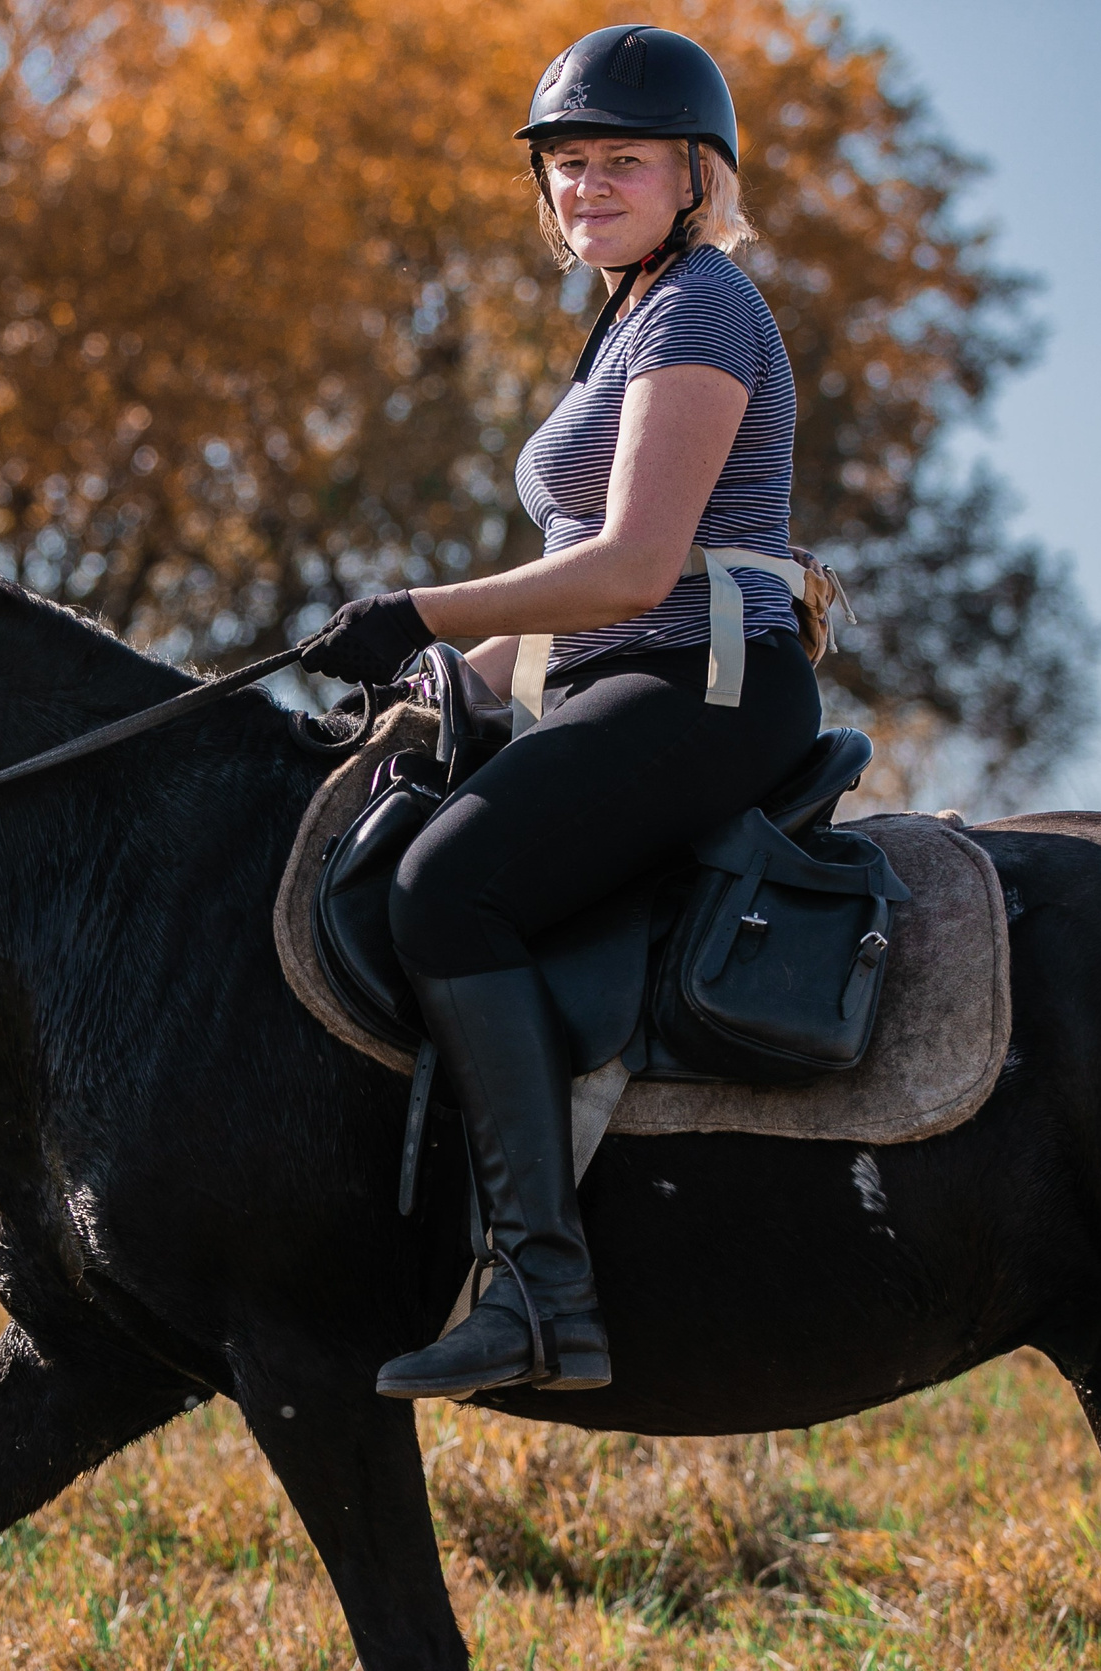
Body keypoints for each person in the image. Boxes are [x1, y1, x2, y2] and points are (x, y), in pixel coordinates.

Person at [299, 24, 822, 1399]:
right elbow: (556, 599)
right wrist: (426, 696)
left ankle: (542, 1291)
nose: (587, 187)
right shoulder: (627, 318)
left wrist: (416, 609)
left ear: (698, 177)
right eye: (569, 165)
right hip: (613, 681)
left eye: (622, 162)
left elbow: (635, 570)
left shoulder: (705, 305)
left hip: (708, 689)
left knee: (447, 886)